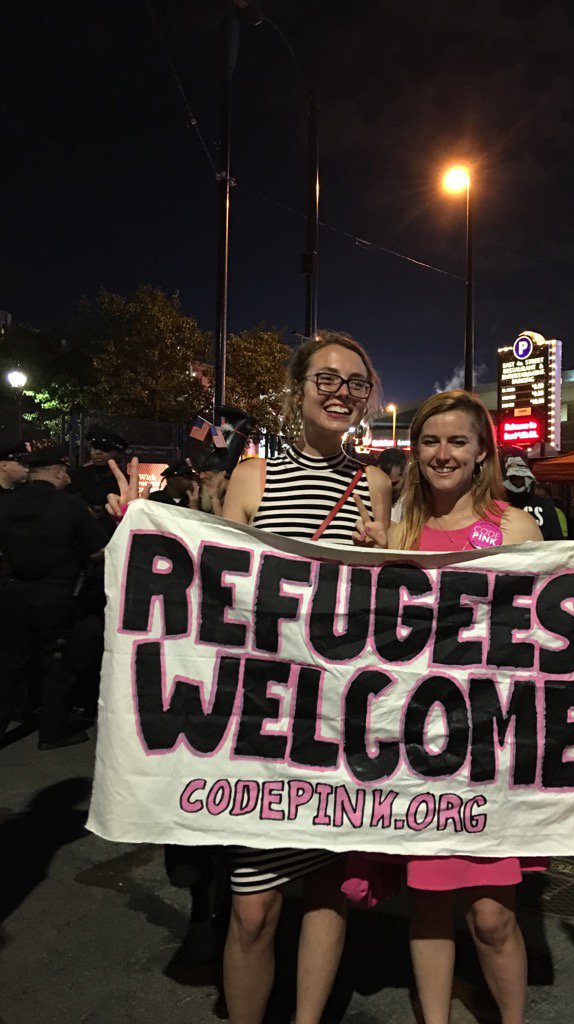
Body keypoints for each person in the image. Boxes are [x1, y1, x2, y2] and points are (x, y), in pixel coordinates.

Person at [107, 330, 391, 1024]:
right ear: (298, 390)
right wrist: (144, 532)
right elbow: (212, 581)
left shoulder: (376, 483)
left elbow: (394, 610)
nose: (340, 393)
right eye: (326, 378)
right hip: (262, 719)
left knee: (326, 891)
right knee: (254, 906)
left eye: (355, 383)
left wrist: (386, 557)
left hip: (337, 720)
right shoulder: (255, 475)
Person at [353, 390, 574, 1024]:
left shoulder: (515, 528)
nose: (442, 454)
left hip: (490, 751)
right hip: (416, 753)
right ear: (415, 454)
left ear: (481, 454)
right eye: (429, 442)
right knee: (428, 907)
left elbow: (550, 627)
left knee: (494, 914)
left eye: (457, 442)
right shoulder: (398, 532)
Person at [0, 445, 104, 749]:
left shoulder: (6, 503)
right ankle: (53, 731)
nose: (69, 480)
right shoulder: (69, 506)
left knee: (8, 664)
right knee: (58, 662)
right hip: (57, 596)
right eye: (66, 474)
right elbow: (99, 549)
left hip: (11, 593)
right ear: (58, 472)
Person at [500, 449, 563, 539]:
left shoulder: (543, 504)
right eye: (513, 477)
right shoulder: (495, 507)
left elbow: (555, 539)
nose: (518, 481)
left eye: (521, 477)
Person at [376, 446, 407, 522]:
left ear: (406, 475)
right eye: (383, 483)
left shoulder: (415, 503)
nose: (388, 488)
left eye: (393, 484)